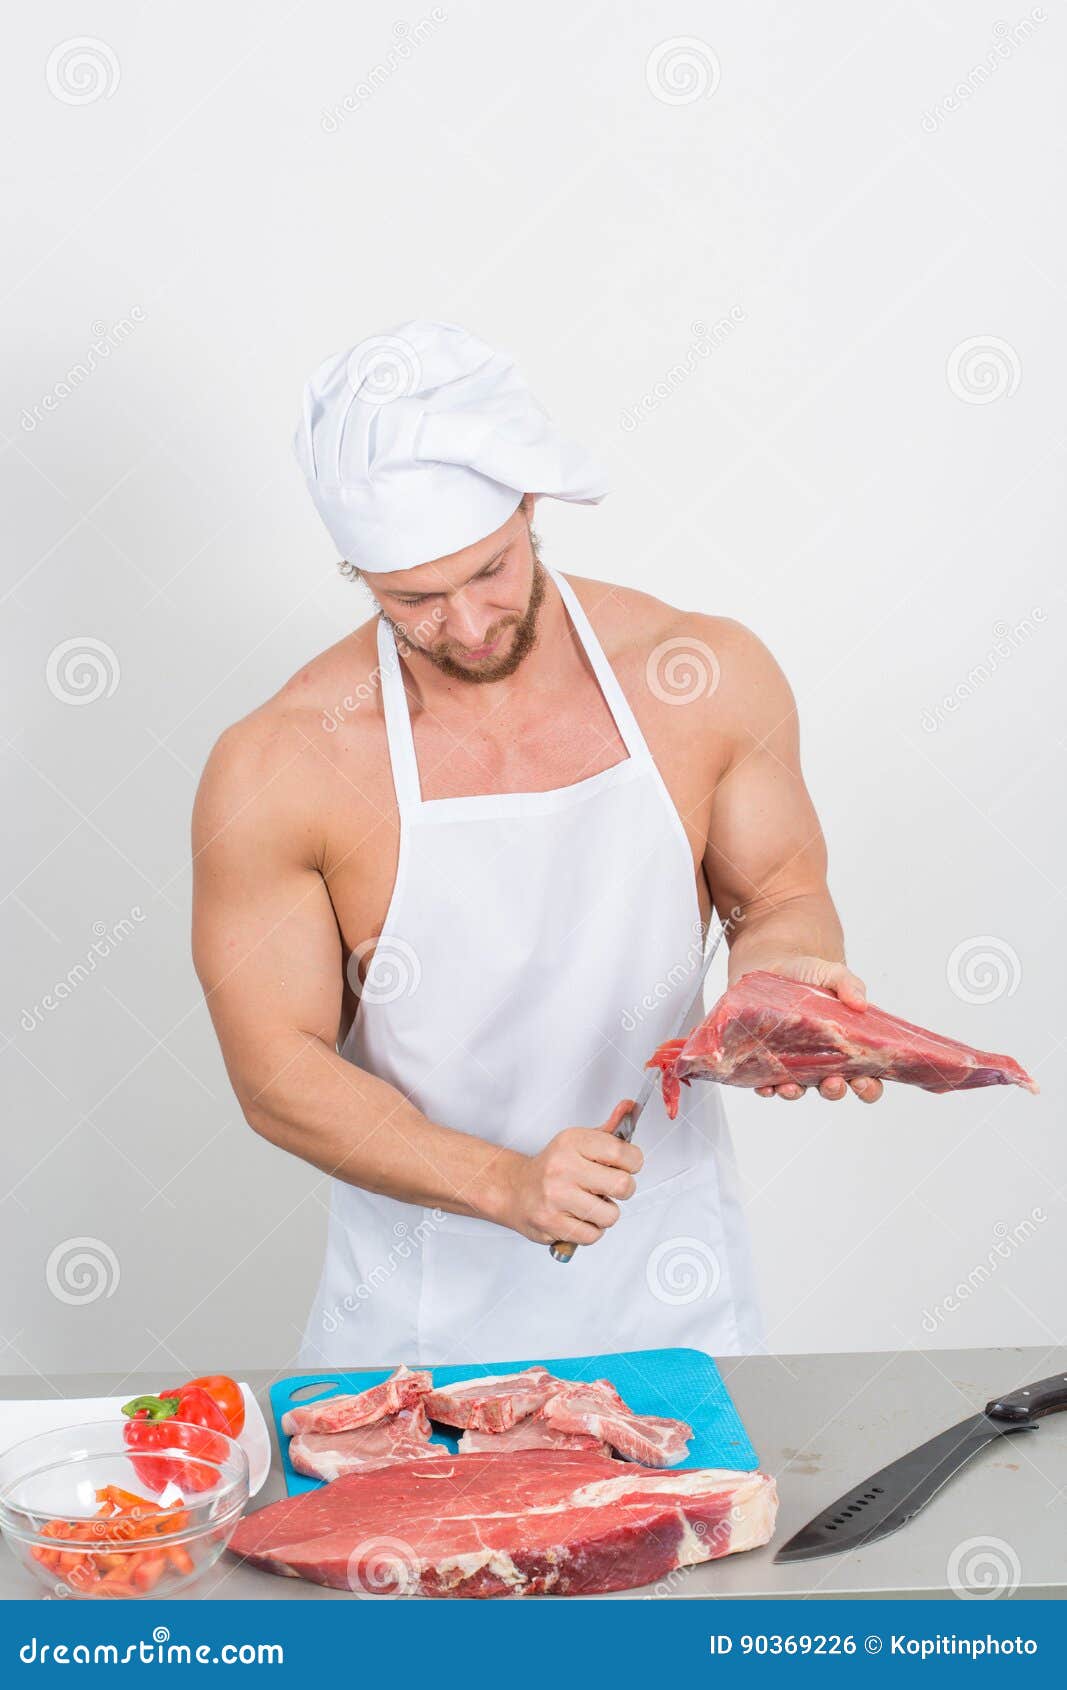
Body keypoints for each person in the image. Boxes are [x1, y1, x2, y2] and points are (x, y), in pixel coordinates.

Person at [192, 321, 880, 1368]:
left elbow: (776, 895)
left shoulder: (697, 674)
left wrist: (778, 987)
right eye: (412, 599)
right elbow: (275, 1069)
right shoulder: (278, 764)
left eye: (489, 572)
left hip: (670, 1293)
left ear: (527, 505)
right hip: (411, 1334)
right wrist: (505, 1184)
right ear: (356, 570)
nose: (465, 624)